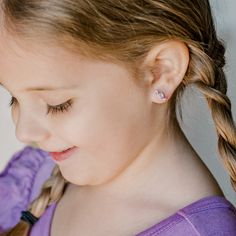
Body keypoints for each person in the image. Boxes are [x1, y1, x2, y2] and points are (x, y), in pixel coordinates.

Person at [0, 0, 235, 235]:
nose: (23, 132)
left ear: (160, 71)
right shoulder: (36, 174)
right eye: (14, 98)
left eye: (58, 104)